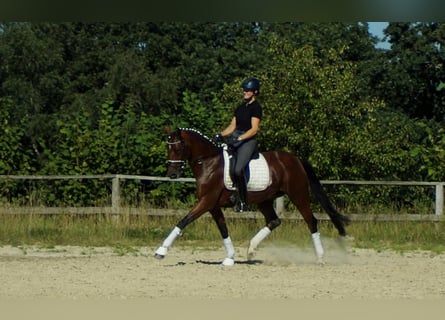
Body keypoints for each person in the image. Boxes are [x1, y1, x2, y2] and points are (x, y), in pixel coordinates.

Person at [214, 77, 263, 212]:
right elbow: (232, 126)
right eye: (244, 90)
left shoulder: (256, 108)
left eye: (248, 90)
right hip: (237, 138)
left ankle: (243, 201)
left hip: (248, 141)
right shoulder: (240, 108)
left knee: (237, 169)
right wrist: (221, 134)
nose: (245, 92)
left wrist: (240, 138)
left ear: (255, 92)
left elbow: (254, 129)